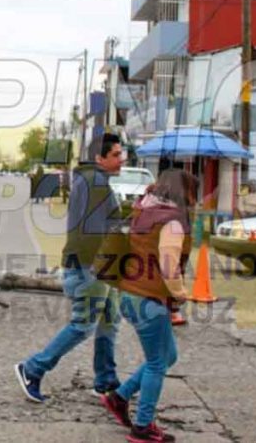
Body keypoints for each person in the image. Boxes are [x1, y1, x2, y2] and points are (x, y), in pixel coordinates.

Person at [15, 133, 125, 403]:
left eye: (122, 154)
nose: (122, 159)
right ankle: (32, 368)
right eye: (116, 155)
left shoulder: (89, 181)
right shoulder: (95, 182)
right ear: (99, 158)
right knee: (84, 325)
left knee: (109, 321)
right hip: (92, 266)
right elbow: (94, 233)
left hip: (95, 266)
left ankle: (106, 381)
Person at [101, 169, 198, 443]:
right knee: (157, 363)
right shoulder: (172, 221)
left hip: (130, 294)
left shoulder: (144, 210)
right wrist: (180, 293)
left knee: (168, 356)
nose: (195, 201)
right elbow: (168, 266)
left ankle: (119, 398)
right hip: (149, 298)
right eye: (193, 194)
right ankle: (143, 427)